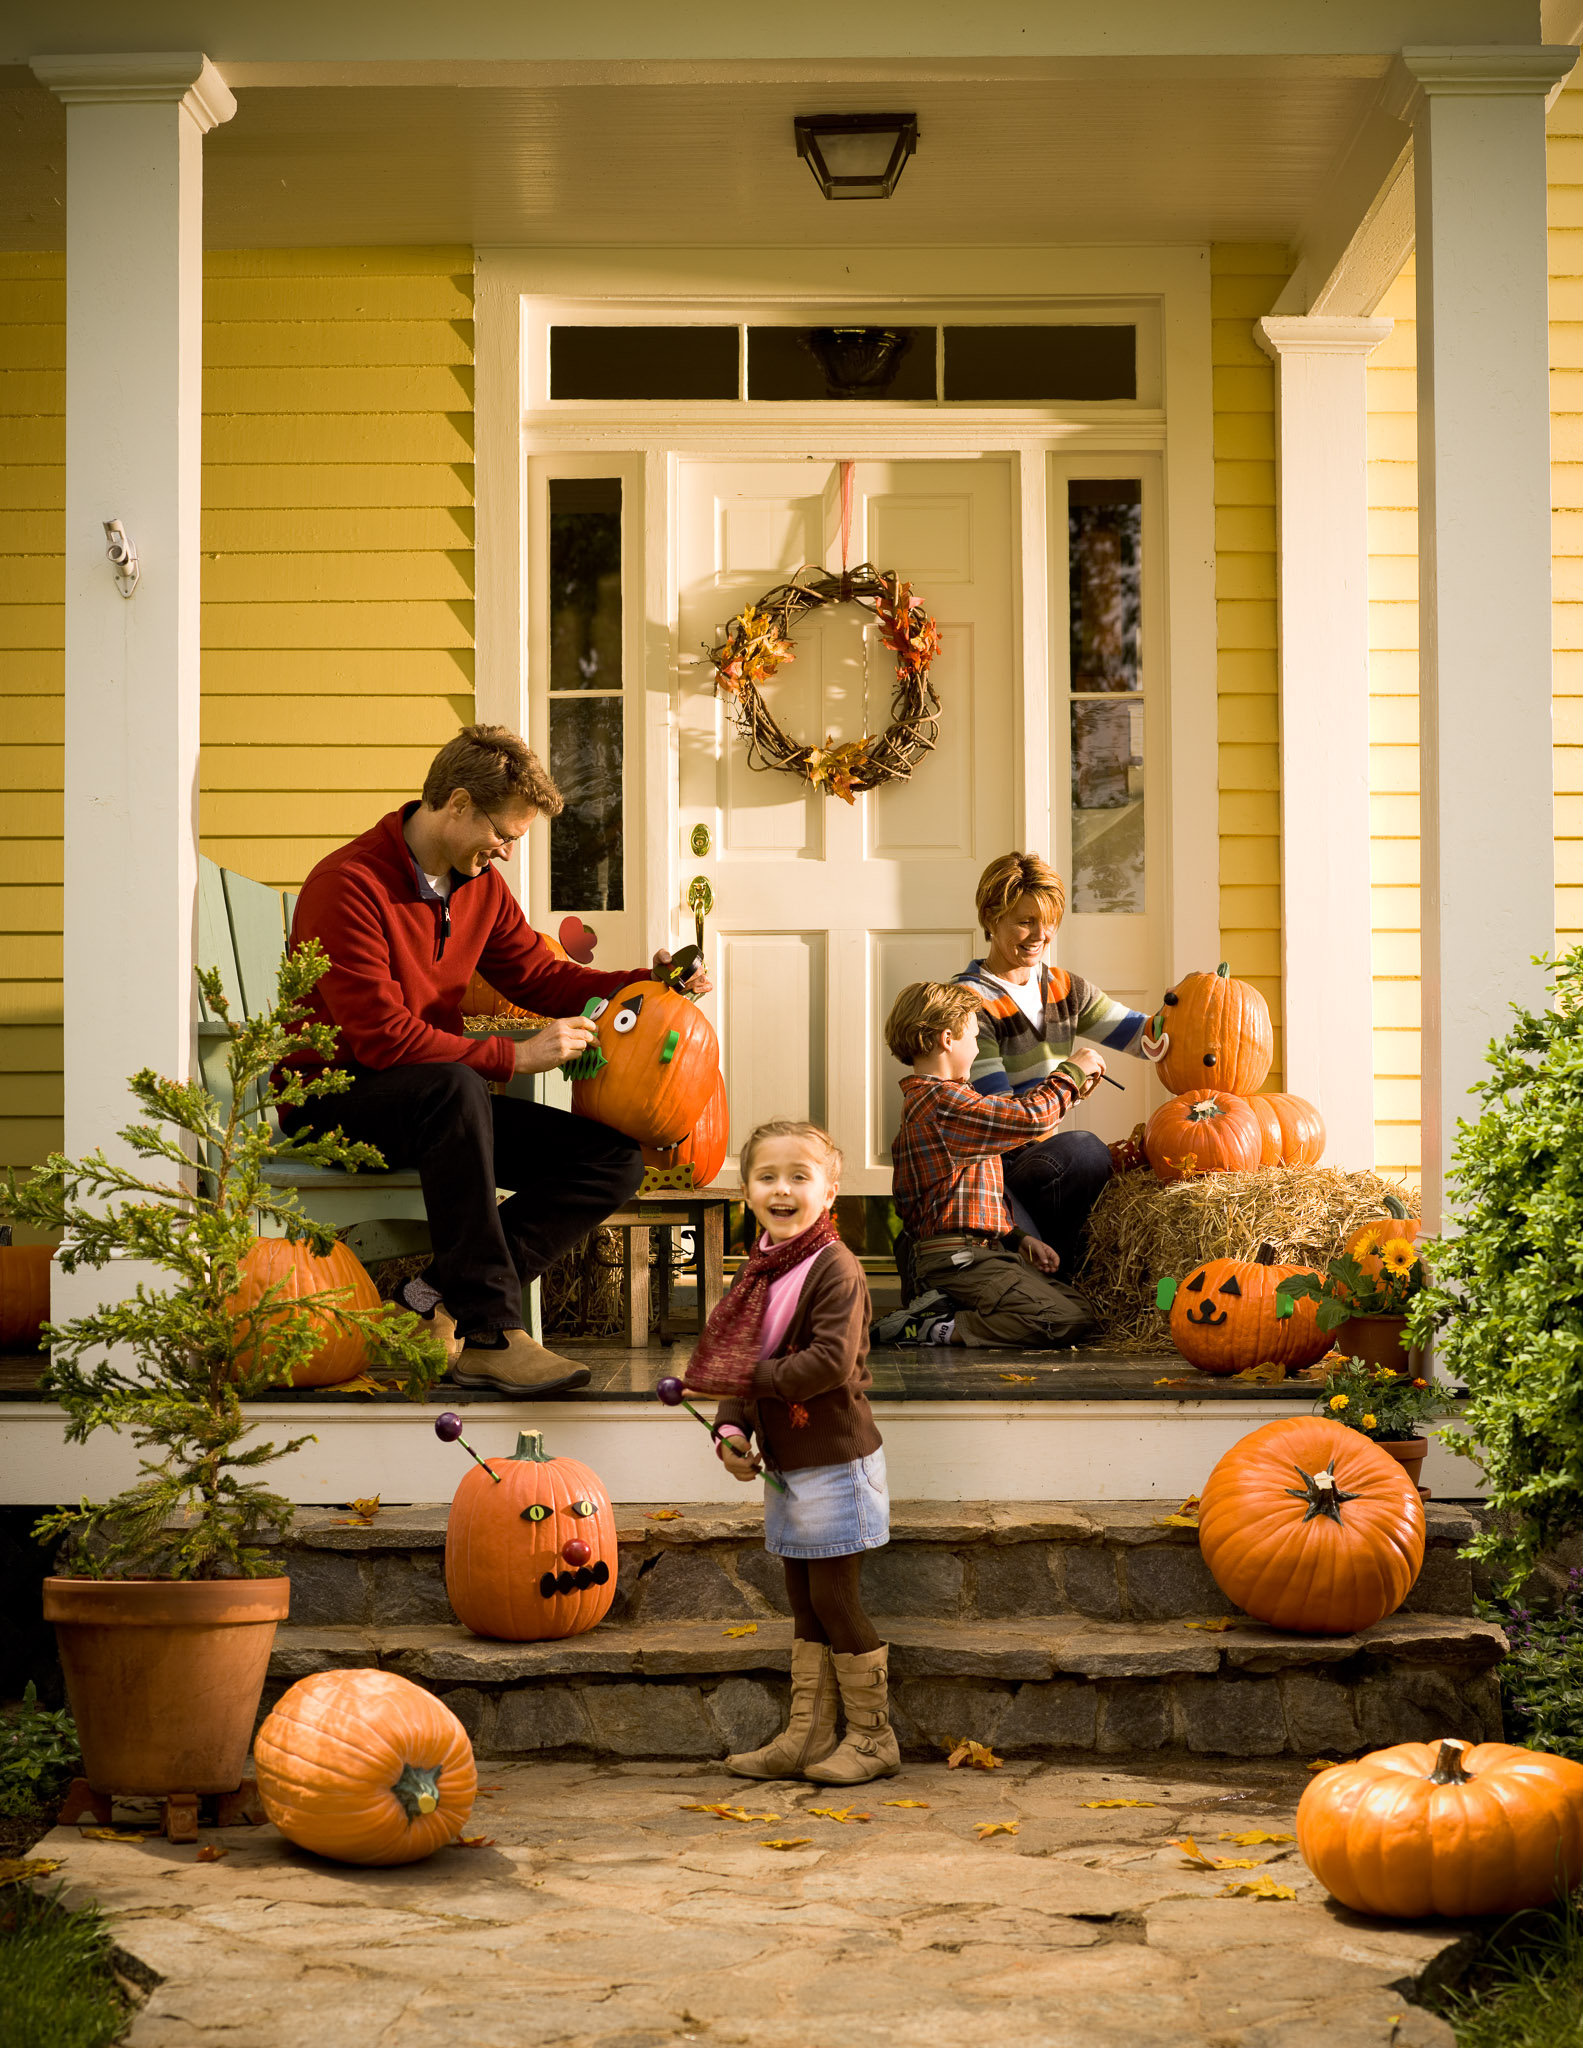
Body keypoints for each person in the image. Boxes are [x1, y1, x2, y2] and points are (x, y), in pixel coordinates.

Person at [278, 723, 708, 1396]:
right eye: (504, 834)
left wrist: (645, 984)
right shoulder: (349, 885)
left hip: (437, 1102)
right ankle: (488, 1333)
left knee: (610, 1161)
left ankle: (430, 1296)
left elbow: (542, 978)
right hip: (336, 1101)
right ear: (456, 804)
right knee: (456, 1085)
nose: (507, 851)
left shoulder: (473, 885)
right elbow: (380, 1038)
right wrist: (515, 1056)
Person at [683, 1119, 897, 1787]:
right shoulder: (755, 1273)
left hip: (836, 1462)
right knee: (803, 1604)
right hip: (787, 1467)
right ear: (744, 1190)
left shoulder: (836, 1267)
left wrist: (747, 1383)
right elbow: (736, 1365)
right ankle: (805, 1736)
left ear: (829, 1191)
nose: (782, 1189)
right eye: (766, 1176)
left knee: (836, 1601)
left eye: (799, 1177)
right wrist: (731, 1431)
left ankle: (872, 1738)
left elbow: (829, 1362)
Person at [955, 851, 1165, 1278]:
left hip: (1043, 1161)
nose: (1040, 934)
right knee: (1085, 1150)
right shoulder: (970, 1002)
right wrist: (1068, 1079)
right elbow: (1004, 1118)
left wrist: (1196, 1008)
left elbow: (1144, 1037)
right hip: (996, 1166)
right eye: (1025, 921)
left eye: (1048, 921)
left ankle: (1060, 1280)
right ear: (990, 917)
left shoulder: (1064, 988)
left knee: (1086, 1163)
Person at [886, 981, 1106, 1349]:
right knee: (1060, 1320)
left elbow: (964, 1197)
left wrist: (1018, 1239)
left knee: (1079, 1310)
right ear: (947, 1039)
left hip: (981, 1253)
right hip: (958, 1259)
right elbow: (1029, 1118)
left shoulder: (946, 1101)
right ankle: (929, 1328)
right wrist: (1071, 1073)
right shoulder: (940, 1102)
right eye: (974, 1037)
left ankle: (946, 1311)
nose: (977, 1048)